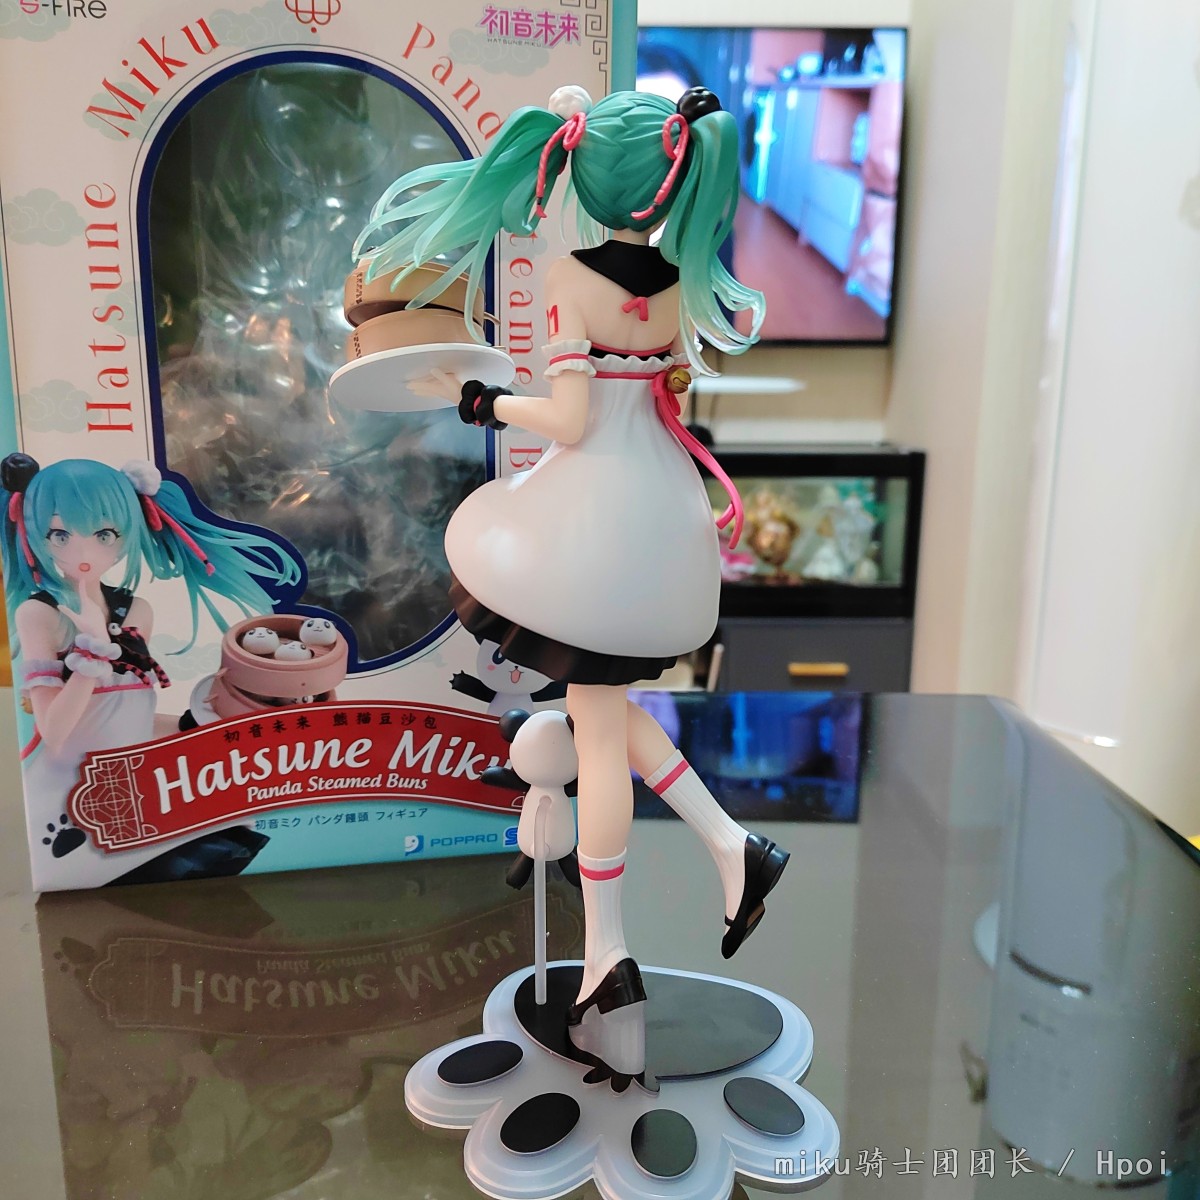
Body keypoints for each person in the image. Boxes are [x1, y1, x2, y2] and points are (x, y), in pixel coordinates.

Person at [355, 85, 788, 1087]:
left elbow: (570, 420)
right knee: (606, 711)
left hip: (592, 524)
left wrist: (483, 401)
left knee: (596, 733)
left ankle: (608, 955)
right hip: (662, 522)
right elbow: (663, 394)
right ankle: (730, 847)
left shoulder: (569, 279)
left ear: (585, 182)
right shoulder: (682, 284)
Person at [0, 453, 303, 888]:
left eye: (104, 534)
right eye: (60, 534)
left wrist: (195, 725)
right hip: (72, 789)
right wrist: (90, 656)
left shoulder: (135, 610)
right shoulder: (40, 614)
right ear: (32, 532)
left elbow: (126, 710)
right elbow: (54, 730)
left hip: (133, 778)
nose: (83, 552)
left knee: (225, 840)